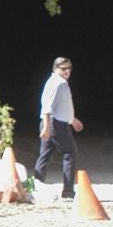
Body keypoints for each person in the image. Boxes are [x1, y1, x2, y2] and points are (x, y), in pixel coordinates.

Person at [35, 56, 82, 200]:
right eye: (63, 69)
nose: (67, 71)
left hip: (57, 122)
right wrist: (47, 127)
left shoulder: (60, 82)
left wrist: (72, 120)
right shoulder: (57, 83)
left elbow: (62, 107)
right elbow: (48, 107)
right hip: (55, 124)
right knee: (70, 154)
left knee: (45, 155)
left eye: (69, 68)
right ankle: (68, 190)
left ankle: (36, 186)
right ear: (55, 69)